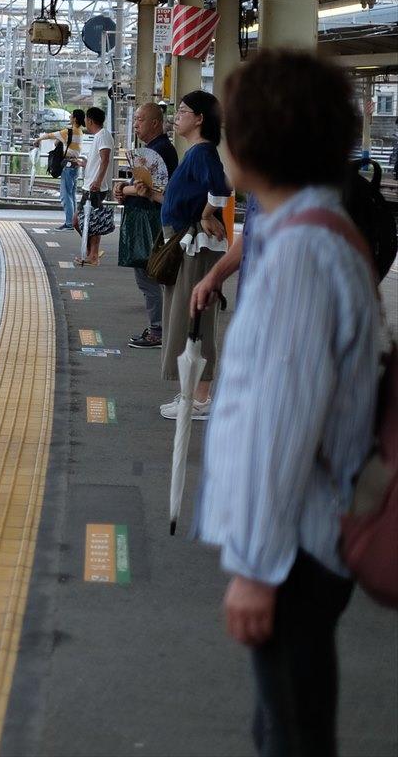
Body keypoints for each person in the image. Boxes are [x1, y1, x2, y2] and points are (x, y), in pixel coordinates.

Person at [197, 50, 384, 756]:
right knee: (283, 725)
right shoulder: (315, 232)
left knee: (294, 735)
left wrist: (255, 565)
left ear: (259, 140)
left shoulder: (304, 253)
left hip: (296, 547)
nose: (220, 143)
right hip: (305, 539)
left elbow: (282, 418)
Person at [156, 91, 231, 419]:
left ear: (200, 118)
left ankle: (200, 398)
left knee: (194, 316)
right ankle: (191, 393)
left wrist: (205, 214)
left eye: (183, 111)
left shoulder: (202, 154)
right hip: (187, 243)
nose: (177, 115)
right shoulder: (196, 152)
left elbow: (222, 190)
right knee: (185, 315)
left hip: (197, 245)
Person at [116, 102, 177, 348]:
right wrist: (125, 189)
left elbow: (148, 190)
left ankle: (158, 331)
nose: (136, 124)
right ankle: (160, 328)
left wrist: (122, 188)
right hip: (151, 218)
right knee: (151, 277)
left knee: (148, 277)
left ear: (154, 123)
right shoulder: (156, 149)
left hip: (149, 221)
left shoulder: (160, 150)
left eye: (140, 120)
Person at [75, 105, 114, 265]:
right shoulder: (101, 135)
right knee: (88, 221)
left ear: (90, 120)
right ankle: (92, 254)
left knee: (82, 221)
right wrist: (86, 164)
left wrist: (97, 181)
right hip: (92, 185)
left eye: (86, 119)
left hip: (95, 187)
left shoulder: (103, 135)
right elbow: (100, 161)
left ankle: (93, 255)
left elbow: (105, 159)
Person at [37, 109, 84, 230]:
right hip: (75, 165)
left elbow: (49, 135)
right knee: (71, 195)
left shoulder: (68, 131)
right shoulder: (79, 131)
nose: (69, 116)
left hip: (68, 166)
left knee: (65, 195)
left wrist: (37, 140)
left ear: (75, 119)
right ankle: (73, 222)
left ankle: (69, 223)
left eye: (71, 115)